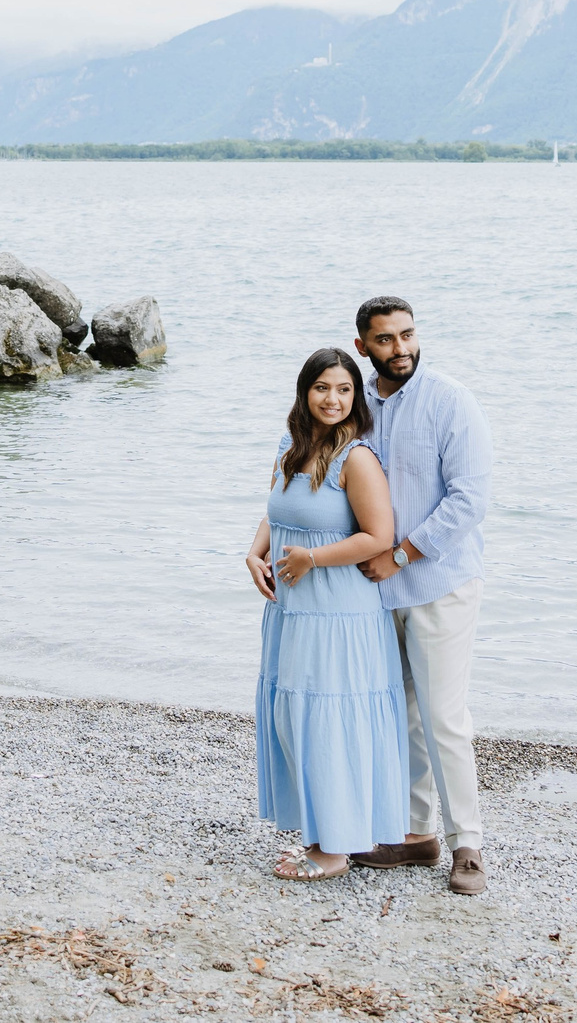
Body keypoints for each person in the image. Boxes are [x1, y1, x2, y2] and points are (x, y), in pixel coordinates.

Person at [345, 296, 493, 896]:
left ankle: (468, 846)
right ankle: (415, 834)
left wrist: (401, 554)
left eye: (407, 335)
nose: (400, 349)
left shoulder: (450, 400)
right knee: (400, 711)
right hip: (375, 590)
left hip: (438, 581)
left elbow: (469, 499)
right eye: (385, 340)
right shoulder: (355, 403)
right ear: (363, 346)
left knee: (442, 715)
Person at [245, 347, 409, 880]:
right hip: (294, 611)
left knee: (330, 723)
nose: (333, 399)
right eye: (322, 388)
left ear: (356, 396)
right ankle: (319, 834)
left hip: (341, 616)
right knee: (297, 721)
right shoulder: (291, 448)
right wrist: (254, 551)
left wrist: (312, 558)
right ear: (305, 392)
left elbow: (377, 537)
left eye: (344, 389)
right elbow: (279, 513)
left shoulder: (356, 459)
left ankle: (335, 850)